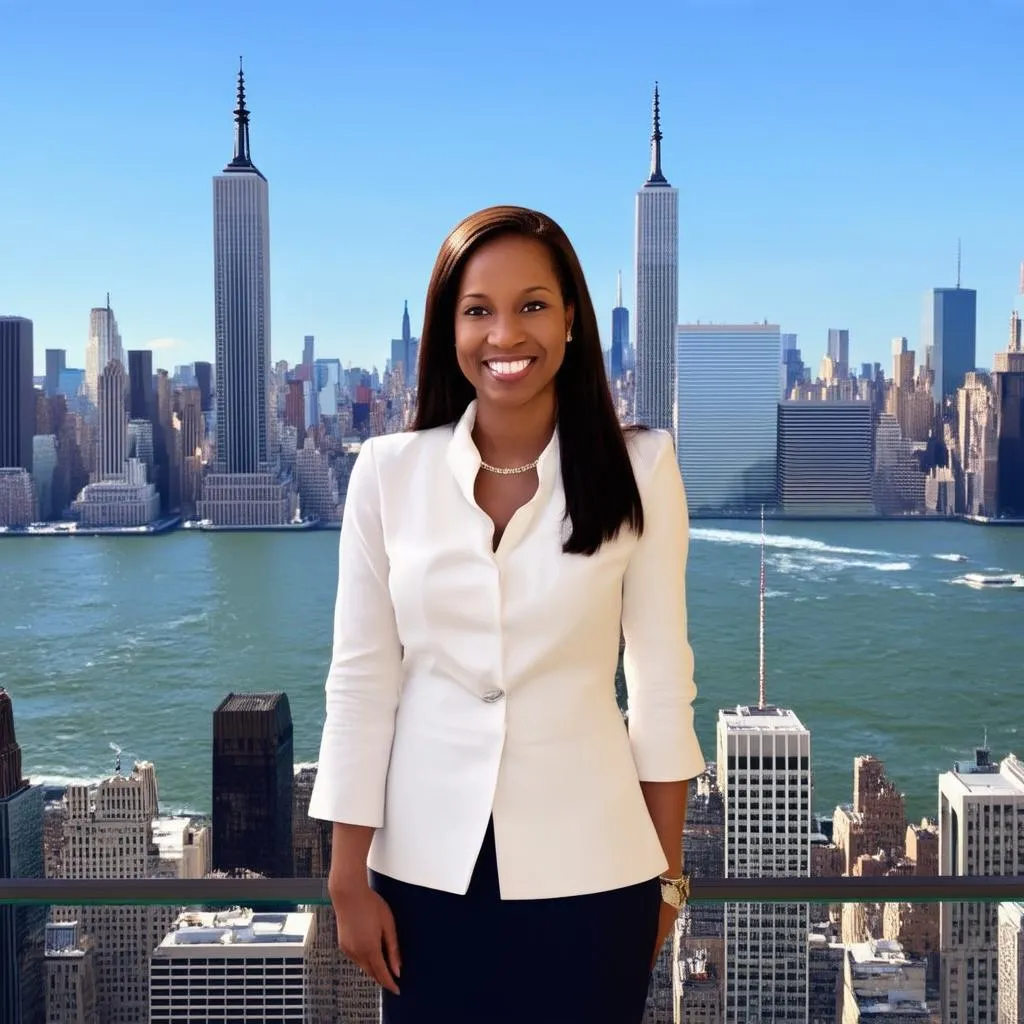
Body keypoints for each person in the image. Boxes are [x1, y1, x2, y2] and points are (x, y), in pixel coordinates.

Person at [307, 205, 705, 1023]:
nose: (504, 334)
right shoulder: (386, 473)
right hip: (421, 879)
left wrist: (667, 879)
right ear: (449, 329)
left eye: (531, 305)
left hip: (597, 872)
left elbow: (662, 690)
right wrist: (348, 878)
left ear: (570, 323)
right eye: (477, 310)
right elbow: (360, 682)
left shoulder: (642, 466)